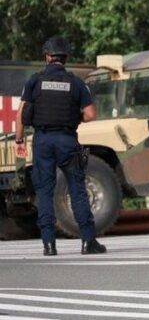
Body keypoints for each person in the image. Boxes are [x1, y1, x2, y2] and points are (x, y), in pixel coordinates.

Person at [13, 37, 107, 256]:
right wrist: (75, 117)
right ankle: (88, 242)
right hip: (66, 140)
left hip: (43, 141)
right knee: (77, 190)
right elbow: (91, 114)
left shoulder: (35, 81)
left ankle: (48, 244)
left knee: (44, 192)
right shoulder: (76, 83)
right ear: (66, 58)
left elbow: (21, 113)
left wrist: (18, 138)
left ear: (47, 56)